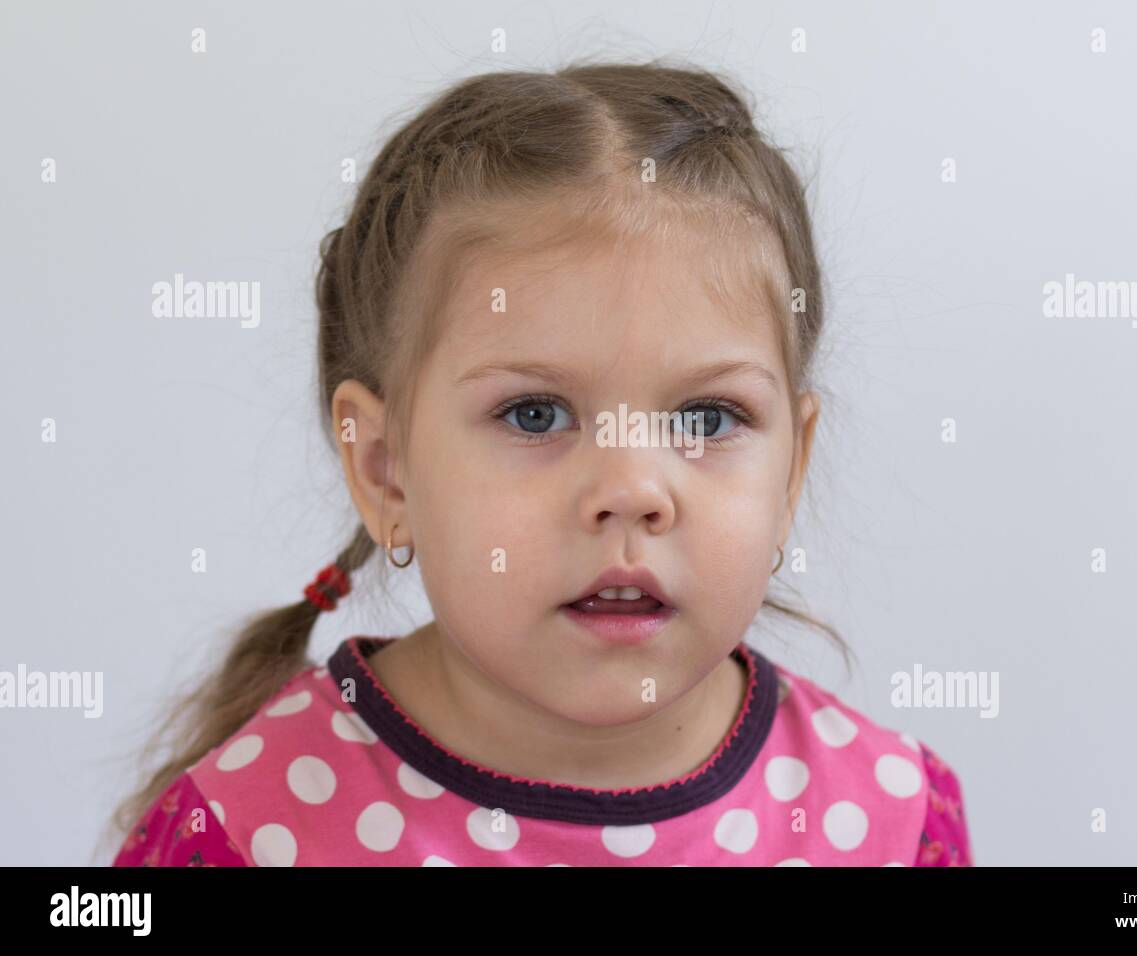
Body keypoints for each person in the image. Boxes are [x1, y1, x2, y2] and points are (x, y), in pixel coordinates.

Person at [108, 60, 972, 867]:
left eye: (708, 417)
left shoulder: (889, 825)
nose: (633, 491)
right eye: (536, 414)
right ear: (384, 469)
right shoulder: (244, 829)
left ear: (789, 473)